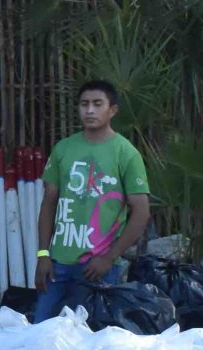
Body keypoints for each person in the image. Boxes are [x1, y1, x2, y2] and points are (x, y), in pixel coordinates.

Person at [32, 78, 154, 323]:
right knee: (40, 331)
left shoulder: (126, 153)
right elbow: (48, 203)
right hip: (57, 263)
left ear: (113, 110)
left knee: (90, 340)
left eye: (98, 104)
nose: (89, 110)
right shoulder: (64, 148)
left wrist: (109, 257)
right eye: (84, 104)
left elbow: (141, 212)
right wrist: (43, 254)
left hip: (98, 266)